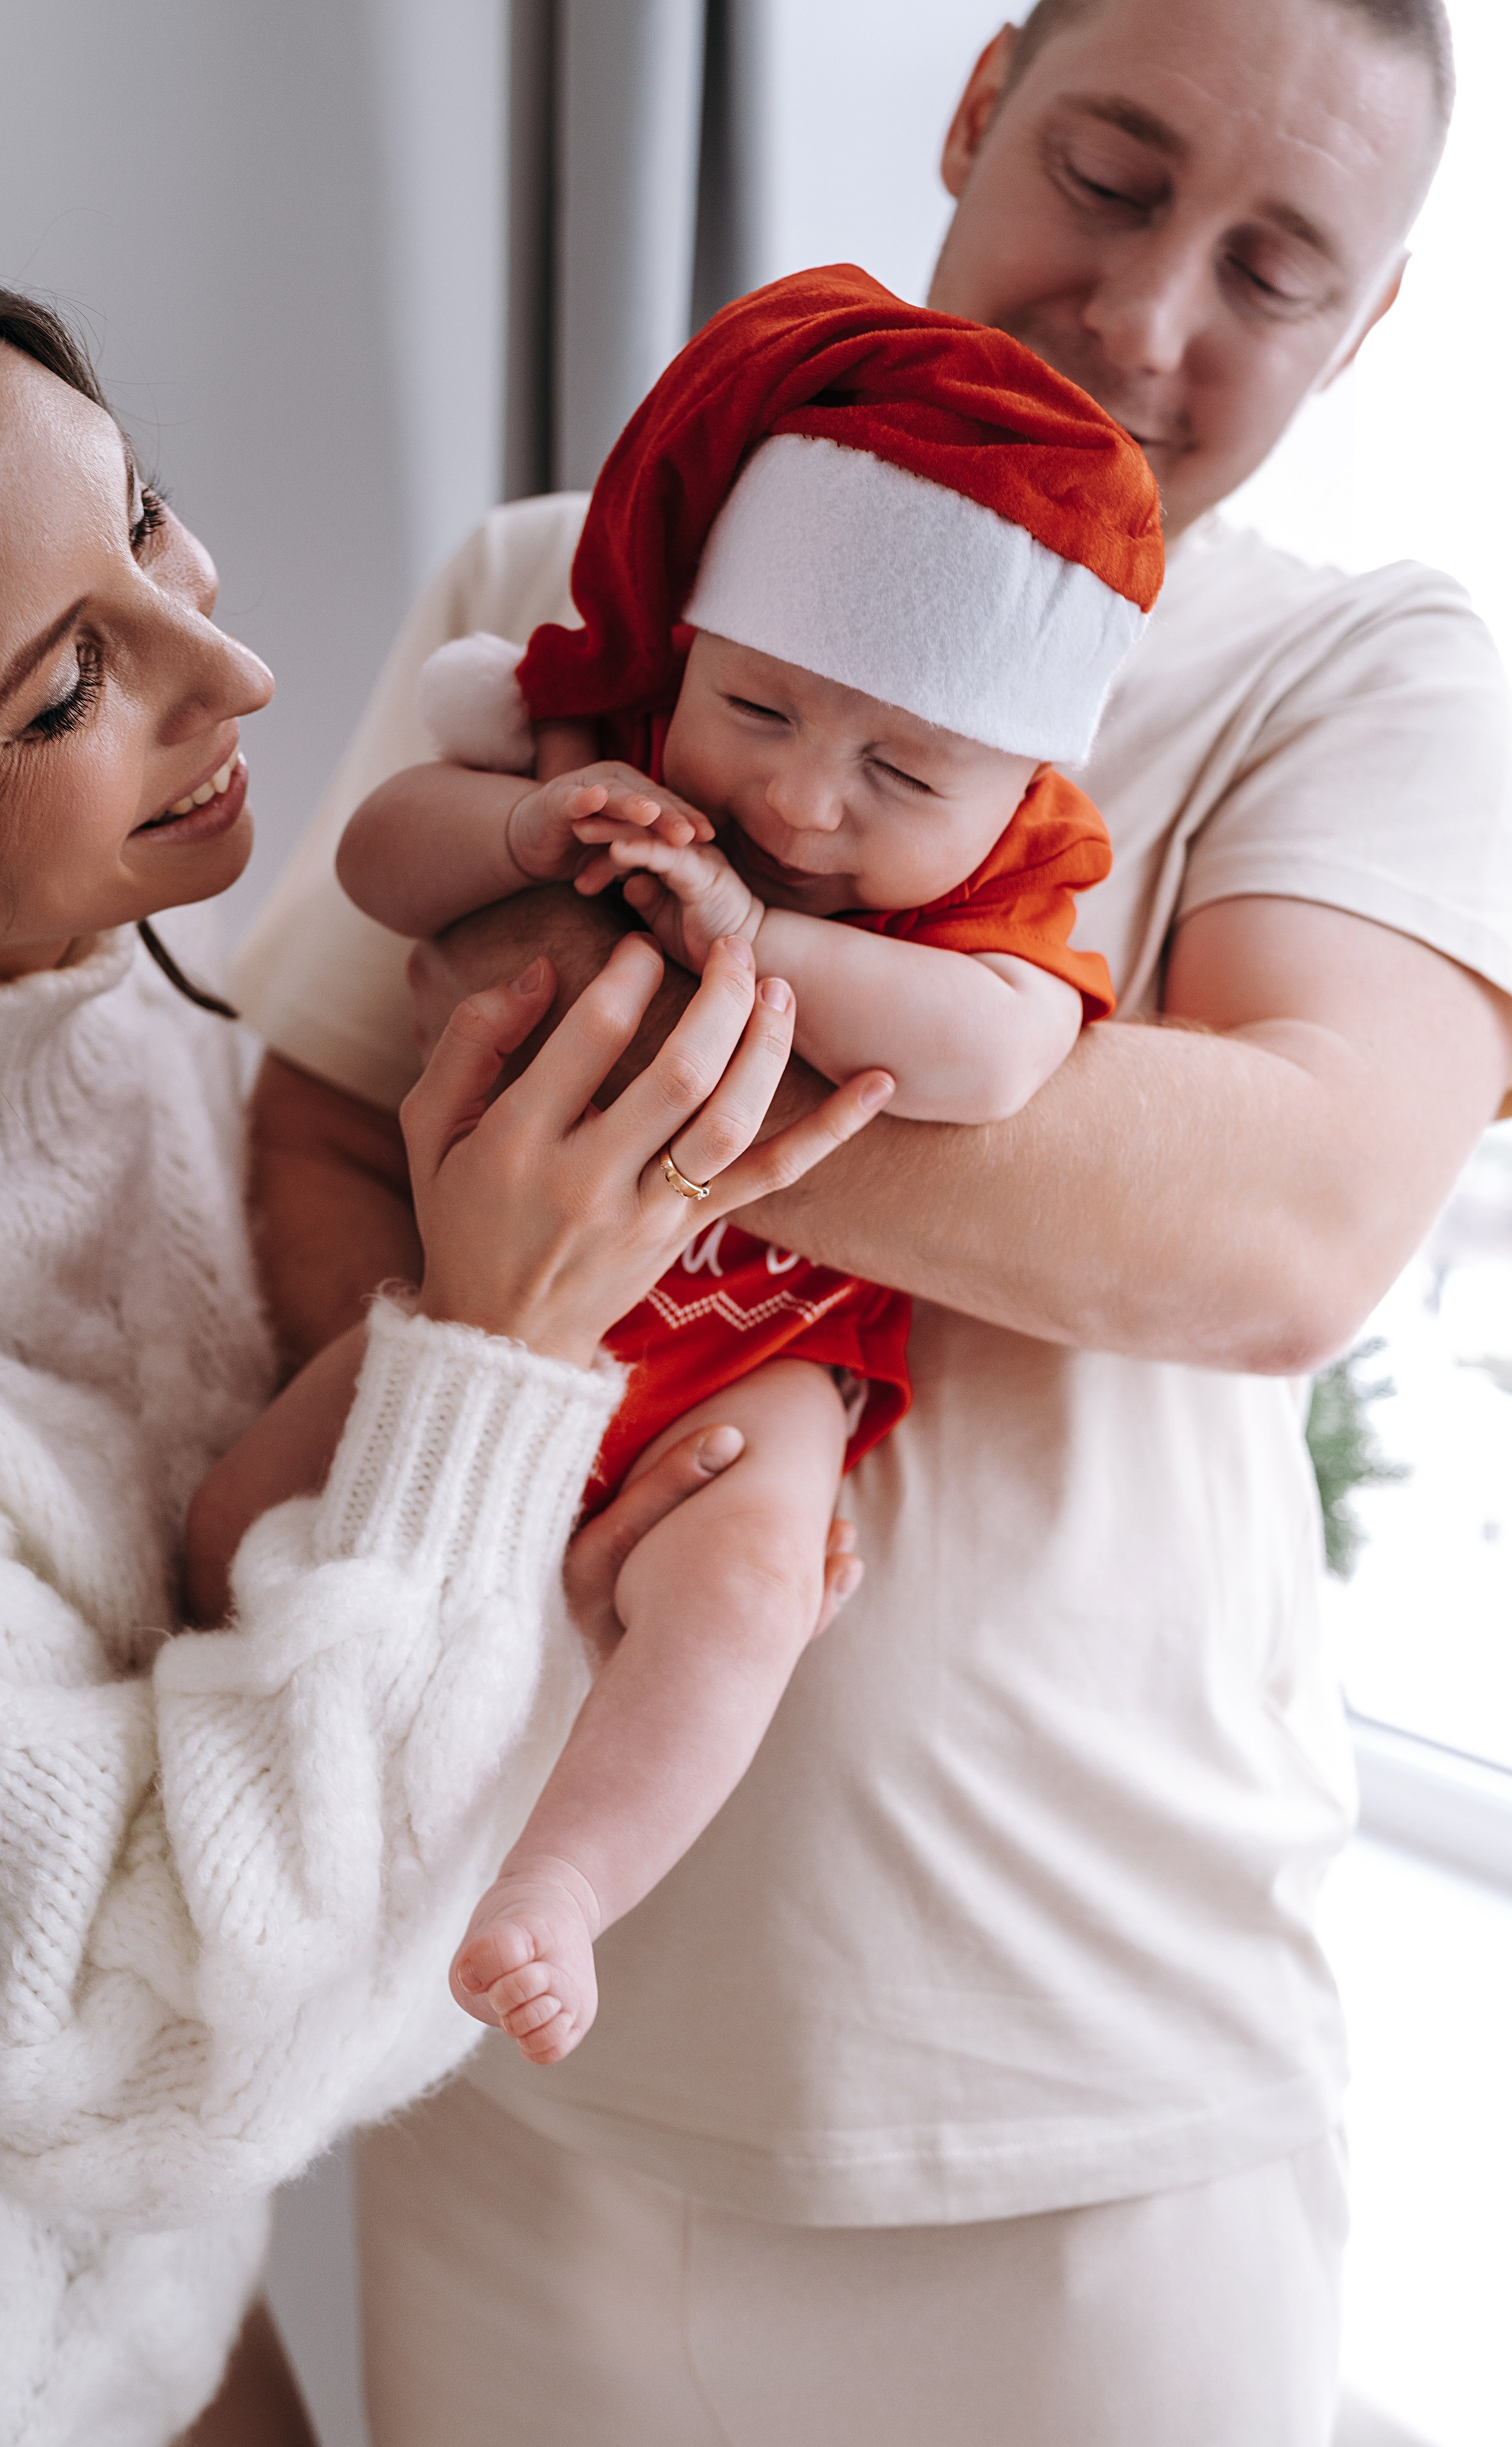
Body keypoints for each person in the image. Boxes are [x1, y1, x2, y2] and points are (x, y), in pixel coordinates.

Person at [231, 0, 1512, 2439]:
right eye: (1115, 180)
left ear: (1374, 323)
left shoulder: (1363, 669)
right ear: (974, 104)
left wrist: (626, 984)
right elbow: (310, 1119)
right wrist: (482, 1498)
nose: (1149, 316)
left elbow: (1287, 1236)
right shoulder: (558, 581)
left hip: (1084, 2102)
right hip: (494, 2061)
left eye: (1273, 266)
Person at [0, 250, 877, 2447]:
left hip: (156, 2333)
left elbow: (275, 1672)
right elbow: (152, 2052)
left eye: (148, 522)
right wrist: (490, 1350)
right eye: (64, 694)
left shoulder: (102, 1010)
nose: (231, 667)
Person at [336, 267, 1161, 2065]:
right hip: (485, 1288)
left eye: (900, 769)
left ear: (1014, 784)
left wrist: (744, 939)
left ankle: (562, 1882)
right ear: (695, 649)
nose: (803, 804)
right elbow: (380, 870)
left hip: (761, 1354)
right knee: (255, 1503)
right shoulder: (606, 750)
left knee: (749, 1586)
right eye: (763, 708)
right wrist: (515, 825)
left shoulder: (1001, 895)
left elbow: (1002, 1048)